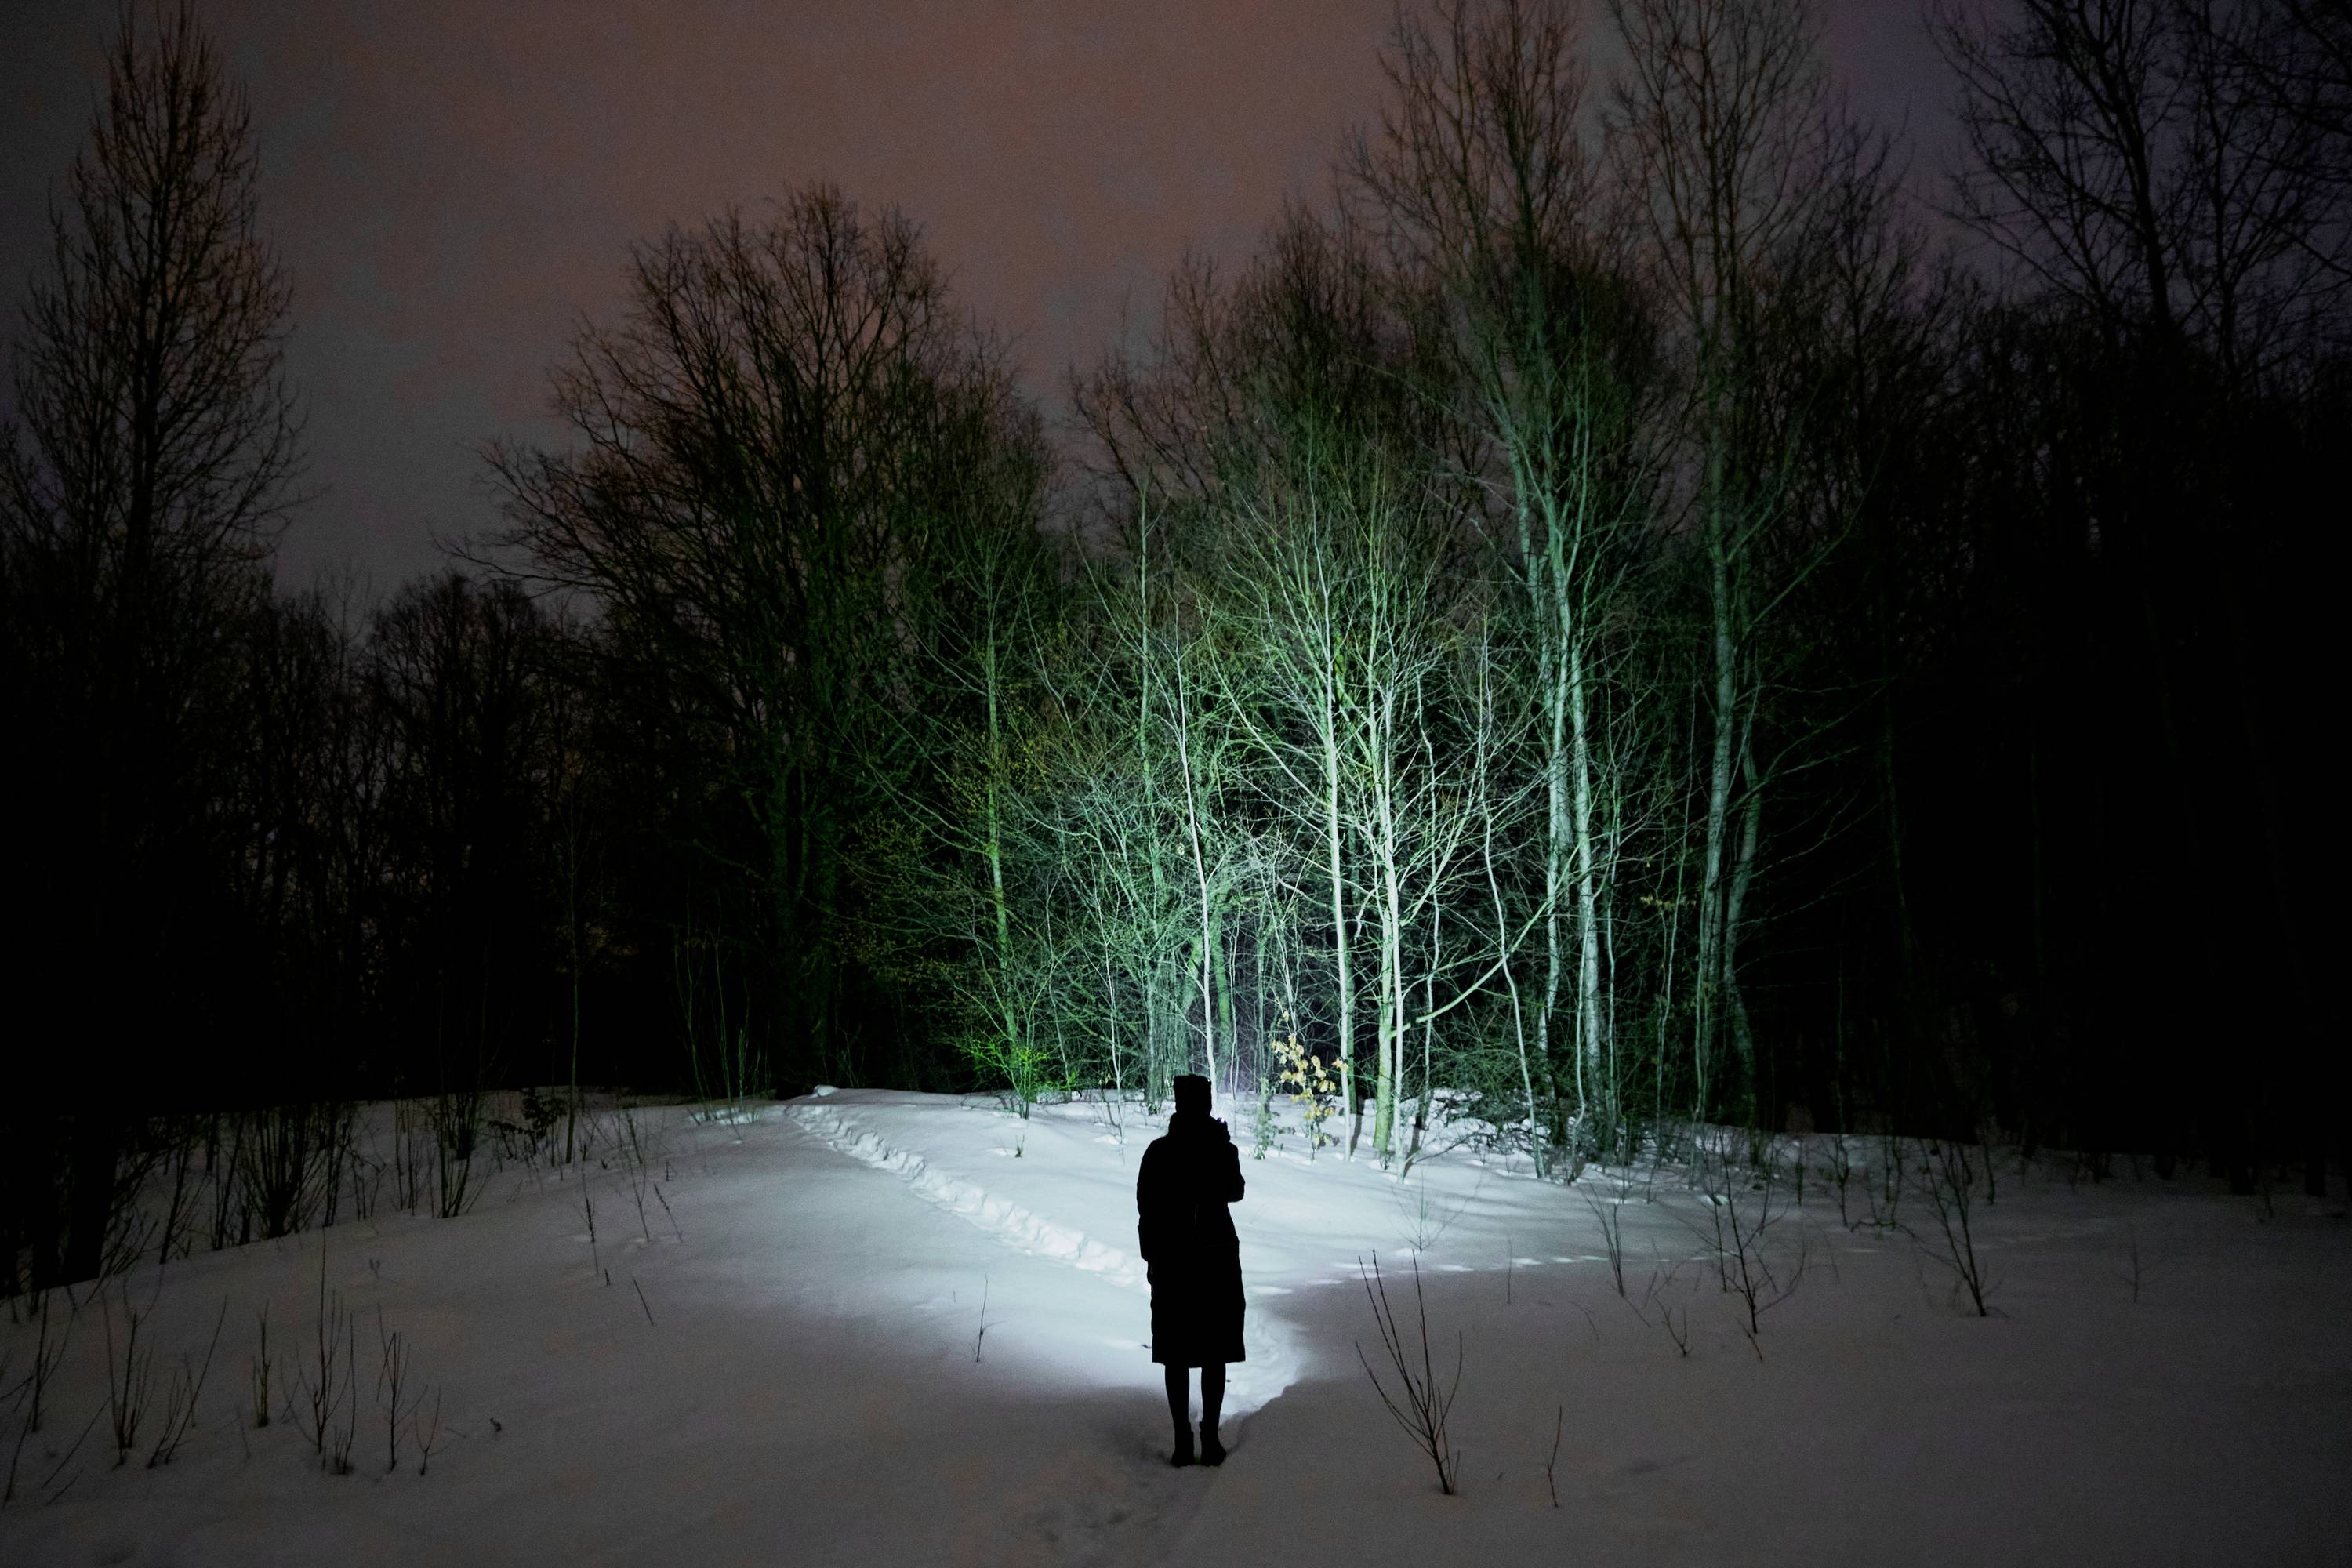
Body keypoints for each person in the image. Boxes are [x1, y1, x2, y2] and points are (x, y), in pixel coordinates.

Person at [1136, 1073, 1245, 1467]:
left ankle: (1193, 1437)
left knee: (1183, 1353)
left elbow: (1146, 1209)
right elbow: (1233, 1189)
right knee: (1199, 1352)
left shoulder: (1161, 1150)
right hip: (1200, 1260)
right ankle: (1200, 1437)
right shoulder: (1179, 1150)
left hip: (1184, 1261)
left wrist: (1152, 1257)